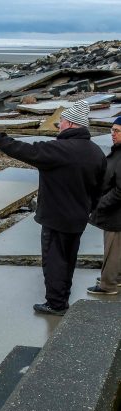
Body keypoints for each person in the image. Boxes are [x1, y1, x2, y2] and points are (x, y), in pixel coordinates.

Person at [0, 100, 106, 316]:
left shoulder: (58, 149)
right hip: (78, 218)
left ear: (70, 123)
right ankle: (62, 298)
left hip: (55, 218)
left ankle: (56, 304)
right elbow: (99, 189)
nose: (58, 126)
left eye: (61, 122)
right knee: (68, 260)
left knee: (54, 262)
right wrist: (89, 210)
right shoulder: (96, 153)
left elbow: (24, 151)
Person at [87, 116, 121, 295]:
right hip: (115, 212)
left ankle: (108, 285)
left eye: (117, 131)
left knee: (112, 250)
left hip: (116, 213)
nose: (112, 134)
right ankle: (117, 277)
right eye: (112, 130)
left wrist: (101, 204)